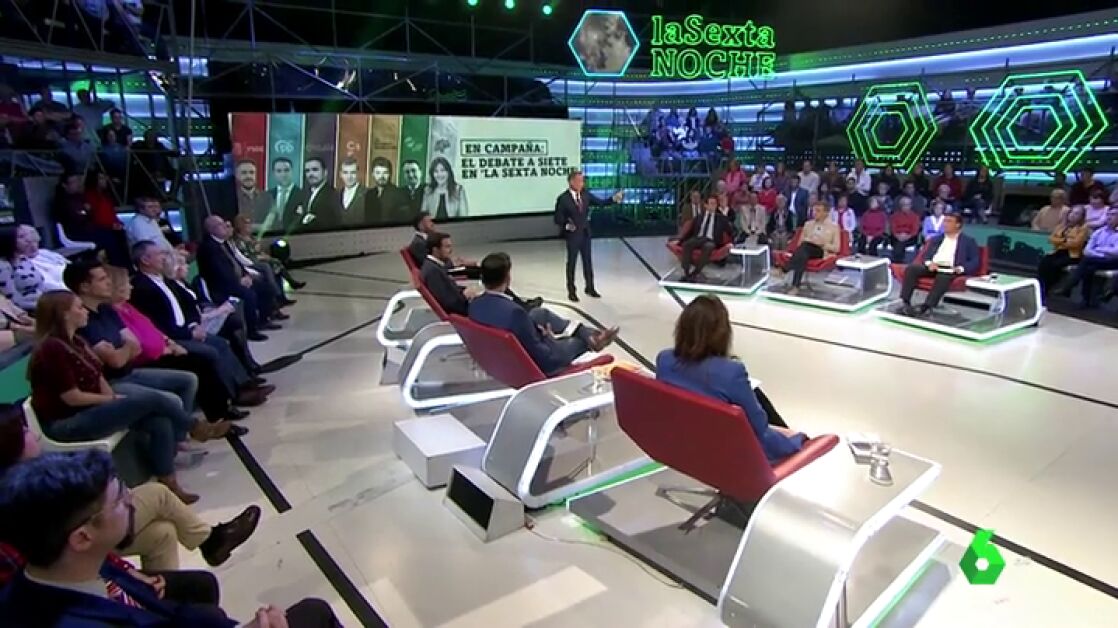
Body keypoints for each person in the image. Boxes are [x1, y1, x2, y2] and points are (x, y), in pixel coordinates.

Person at [0, 449, 343, 627]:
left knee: (165, 537)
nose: (131, 500)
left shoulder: (71, 568)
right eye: (120, 498)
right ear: (82, 537)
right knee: (316, 612)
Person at [0, 404, 259, 571]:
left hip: (80, 543)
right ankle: (210, 540)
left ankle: (162, 604)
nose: (32, 433)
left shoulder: (32, 474)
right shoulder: (22, 494)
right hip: (72, 554)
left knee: (163, 534)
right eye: (24, 431)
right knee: (158, 494)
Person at [26, 291, 210, 503]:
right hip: (68, 422)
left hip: (90, 409)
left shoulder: (75, 341)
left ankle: (169, 482)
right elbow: (72, 398)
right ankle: (195, 426)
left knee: (159, 421)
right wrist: (111, 401)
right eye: (79, 307)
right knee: (150, 400)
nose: (85, 311)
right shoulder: (51, 349)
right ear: (64, 314)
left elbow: (97, 375)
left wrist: (112, 397)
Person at [64, 259, 258, 425]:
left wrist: (128, 348)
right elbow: (117, 359)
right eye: (102, 279)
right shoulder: (85, 321)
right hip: (123, 374)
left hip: (135, 364)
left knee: (206, 356)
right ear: (84, 287)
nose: (108, 283)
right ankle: (205, 420)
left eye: (108, 278)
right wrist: (128, 348)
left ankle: (216, 410)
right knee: (200, 360)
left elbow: (134, 342)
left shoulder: (106, 310)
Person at [656, 295, 805, 462]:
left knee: (756, 393)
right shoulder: (731, 372)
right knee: (798, 439)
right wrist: (796, 440)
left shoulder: (664, 359)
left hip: (687, 440)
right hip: (734, 455)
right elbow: (759, 427)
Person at [469, 253, 618, 376]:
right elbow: (542, 355)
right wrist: (549, 339)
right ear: (508, 279)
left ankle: (589, 334)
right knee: (576, 342)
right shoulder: (515, 313)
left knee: (538, 313)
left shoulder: (475, 305)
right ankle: (591, 340)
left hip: (501, 353)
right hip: (542, 363)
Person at [196, 216, 281, 340]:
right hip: (222, 286)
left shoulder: (224, 243)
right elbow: (220, 273)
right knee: (249, 295)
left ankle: (264, 319)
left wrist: (246, 275)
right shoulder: (208, 248)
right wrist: (239, 281)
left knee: (266, 287)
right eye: (221, 225)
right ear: (212, 229)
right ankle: (251, 330)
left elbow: (236, 262)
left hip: (236, 280)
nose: (225, 226)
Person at [554, 170, 623, 302]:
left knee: (587, 262)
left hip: (585, 234)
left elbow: (601, 203)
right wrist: (567, 225)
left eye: (583, 181)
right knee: (572, 263)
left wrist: (613, 199)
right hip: (573, 236)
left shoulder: (586, 195)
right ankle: (572, 291)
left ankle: (590, 288)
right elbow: (558, 218)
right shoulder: (563, 199)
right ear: (571, 182)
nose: (582, 183)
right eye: (579, 181)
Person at [897, 213, 981, 317]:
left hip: (951, 269)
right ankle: (905, 302)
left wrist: (960, 268)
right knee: (912, 269)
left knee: (943, 276)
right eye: (944, 221)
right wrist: (929, 263)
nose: (945, 224)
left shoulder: (968, 241)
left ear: (958, 225)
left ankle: (927, 306)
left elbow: (975, 261)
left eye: (949, 221)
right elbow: (927, 255)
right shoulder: (937, 239)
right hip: (934, 266)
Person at [51, 172, 129, 266]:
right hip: (76, 233)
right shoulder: (63, 201)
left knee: (119, 234)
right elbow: (79, 216)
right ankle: (117, 265)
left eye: (78, 181)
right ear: (64, 185)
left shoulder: (78, 197)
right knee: (109, 238)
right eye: (74, 182)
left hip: (88, 229)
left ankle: (126, 265)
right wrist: (86, 211)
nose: (77, 184)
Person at [1054, 208, 1118, 307]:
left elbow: (1116, 252)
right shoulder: (1099, 232)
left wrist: (1098, 250)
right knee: (1088, 268)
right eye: (1108, 214)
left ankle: (1070, 285)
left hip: (1113, 261)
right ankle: (1086, 299)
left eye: (1113, 215)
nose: (1109, 217)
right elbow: (1087, 250)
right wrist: (1102, 254)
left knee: (1087, 262)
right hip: (1097, 260)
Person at [777, 202, 840, 293]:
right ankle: (795, 286)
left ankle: (785, 269)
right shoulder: (808, 224)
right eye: (814, 211)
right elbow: (799, 243)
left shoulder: (834, 227)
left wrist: (822, 244)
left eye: (818, 211)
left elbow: (836, 248)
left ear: (826, 213)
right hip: (805, 250)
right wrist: (810, 240)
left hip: (821, 251)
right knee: (804, 251)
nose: (815, 213)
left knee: (804, 249)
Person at [232, 214, 305, 292]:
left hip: (259, 257)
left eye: (249, 223)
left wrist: (262, 253)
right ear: (240, 225)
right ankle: (279, 290)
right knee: (272, 264)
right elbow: (245, 256)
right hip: (250, 261)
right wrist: (260, 257)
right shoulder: (238, 240)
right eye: (247, 223)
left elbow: (258, 250)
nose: (250, 225)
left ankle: (283, 292)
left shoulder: (251, 237)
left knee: (276, 265)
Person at [1037, 206, 1089, 296]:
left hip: (1072, 255)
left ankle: (1050, 287)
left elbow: (1076, 243)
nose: (1072, 215)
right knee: (1044, 262)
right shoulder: (1062, 226)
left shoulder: (1083, 228)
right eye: (1071, 212)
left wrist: (1060, 241)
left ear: (1082, 217)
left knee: (1055, 265)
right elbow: (1051, 239)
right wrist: (1065, 240)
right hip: (1059, 251)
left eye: (1076, 214)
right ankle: (1041, 286)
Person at [677, 196, 732, 281]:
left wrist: (732, 243)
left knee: (708, 246)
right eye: (711, 203)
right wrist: (680, 241)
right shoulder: (699, 217)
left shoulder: (721, 218)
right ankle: (686, 272)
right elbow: (690, 231)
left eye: (715, 204)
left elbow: (731, 231)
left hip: (711, 240)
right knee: (687, 244)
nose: (713, 206)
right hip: (698, 238)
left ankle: (695, 273)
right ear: (706, 205)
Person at [420, 233, 476, 316]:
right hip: (464, 311)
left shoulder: (433, 265)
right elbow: (450, 304)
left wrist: (465, 290)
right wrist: (465, 296)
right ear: (435, 250)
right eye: (447, 247)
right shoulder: (433, 271)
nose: (451, 250)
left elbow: (449, 291)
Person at [291, 157, 340, 231]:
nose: (311, 174)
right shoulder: (303, 194)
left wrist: (306, 216)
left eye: (315, 170)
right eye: (307, 171)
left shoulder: (333, 195)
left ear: (325, 172)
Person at [365, 156, 408, 225]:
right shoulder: (369, 194)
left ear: (390, 174)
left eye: (385, 173)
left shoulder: (399, 194)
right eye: (378, 173)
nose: (381, 176)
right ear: (373, 174)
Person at [263, 157, 301, 232]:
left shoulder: (303, 194)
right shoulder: (266, 195)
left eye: (286, 170)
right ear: (274, 173)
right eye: (279, 171)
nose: (283, 174)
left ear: (292, 171)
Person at [886, 197, 922, 263]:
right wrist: (898, 236)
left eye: (908, 204)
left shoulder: (915, 217)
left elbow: (915, 230)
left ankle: (896, 262)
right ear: (900, 206)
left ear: (911, 205)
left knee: (900, 244)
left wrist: (907, 236)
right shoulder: (894, 216)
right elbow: (893, 229)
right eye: (904, 205)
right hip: (896, 237)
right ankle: (898, 263)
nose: (906, 207)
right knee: (899, 243)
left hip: (910, 237)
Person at [336, 156, 368, 225]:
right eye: (345, 172)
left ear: (358, 173)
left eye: (353, 172)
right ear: (340, 174)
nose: (349, 177)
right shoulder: (335, 195)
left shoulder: (367, 194)